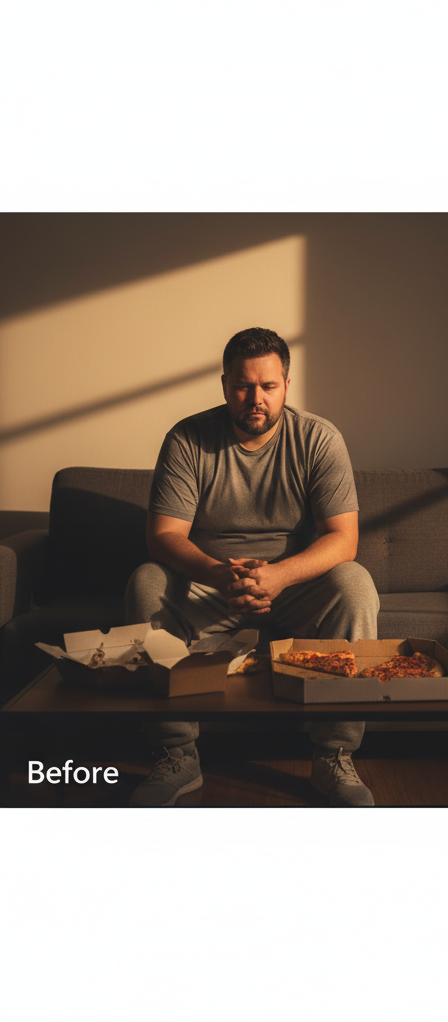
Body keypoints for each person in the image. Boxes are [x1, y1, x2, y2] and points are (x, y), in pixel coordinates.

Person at [125, 327, 380, 807]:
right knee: (146, 581)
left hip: (296, 586)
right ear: (225, 386)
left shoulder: (319, 439)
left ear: (287, 384)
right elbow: (163, 536)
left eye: (268, 386)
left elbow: (344, 539)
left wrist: (279, 575)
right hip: (209, 587)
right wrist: (223, 575)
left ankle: (334, 756)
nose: (255, 398)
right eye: (243, 386)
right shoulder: (188, 438)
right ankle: (176, 754)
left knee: (356, 584)